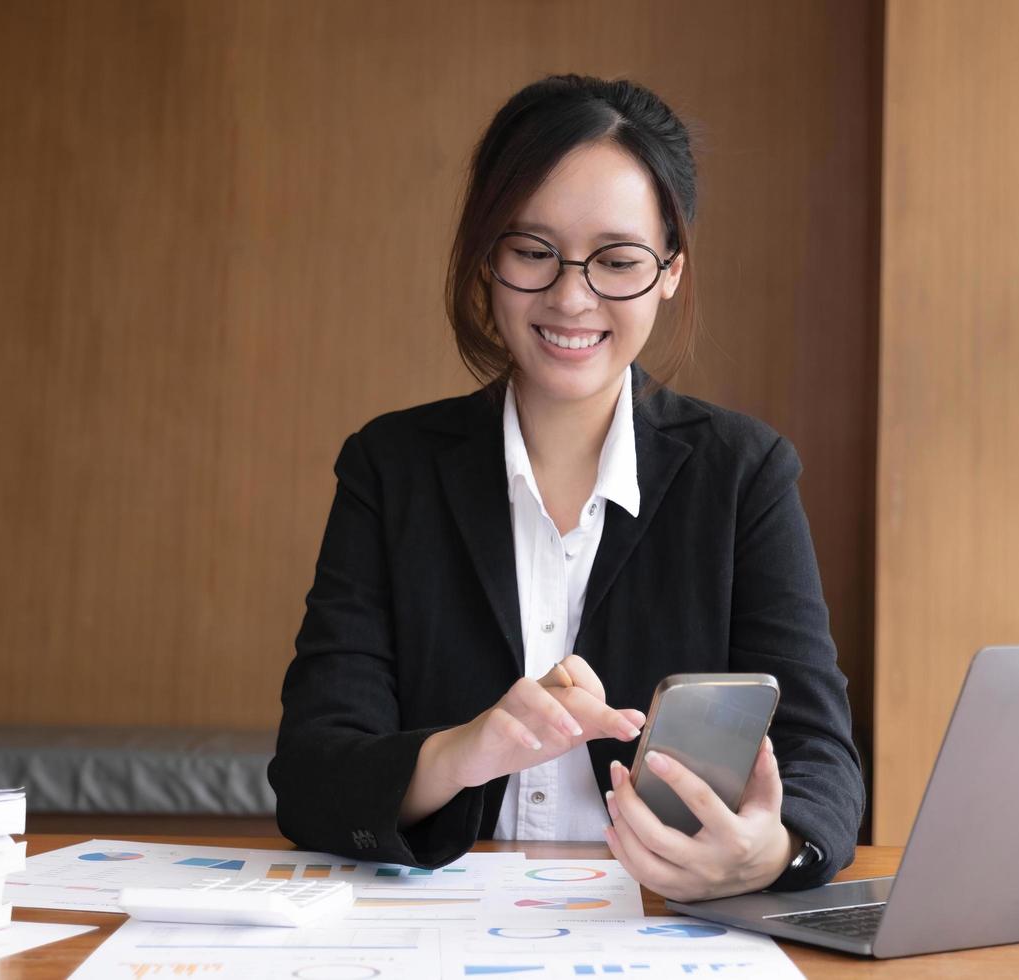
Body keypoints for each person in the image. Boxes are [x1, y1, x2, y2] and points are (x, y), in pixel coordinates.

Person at [268, 74, 863, 901]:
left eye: (617, 260)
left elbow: (820, 760)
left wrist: (765, 853)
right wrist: (469, 748)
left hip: (662, 933)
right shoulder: (391, 467)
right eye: (533, 251)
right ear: (487, 257)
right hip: (434, 933)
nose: (571, 295)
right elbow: (310, 774)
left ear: (669, 272)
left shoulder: (743, 472)